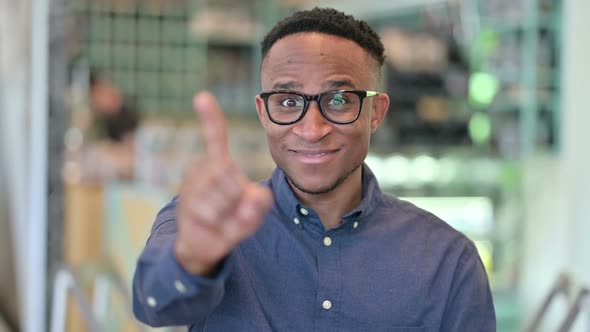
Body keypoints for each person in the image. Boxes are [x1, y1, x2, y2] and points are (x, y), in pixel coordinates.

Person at [132, 7, 495, 331]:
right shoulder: (204, 222)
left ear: (377, 113)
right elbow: (153, 304)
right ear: (263, 113)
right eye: (288, 101)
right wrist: (193, 258)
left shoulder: (448, 262)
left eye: (338, 100)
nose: (312, 129)